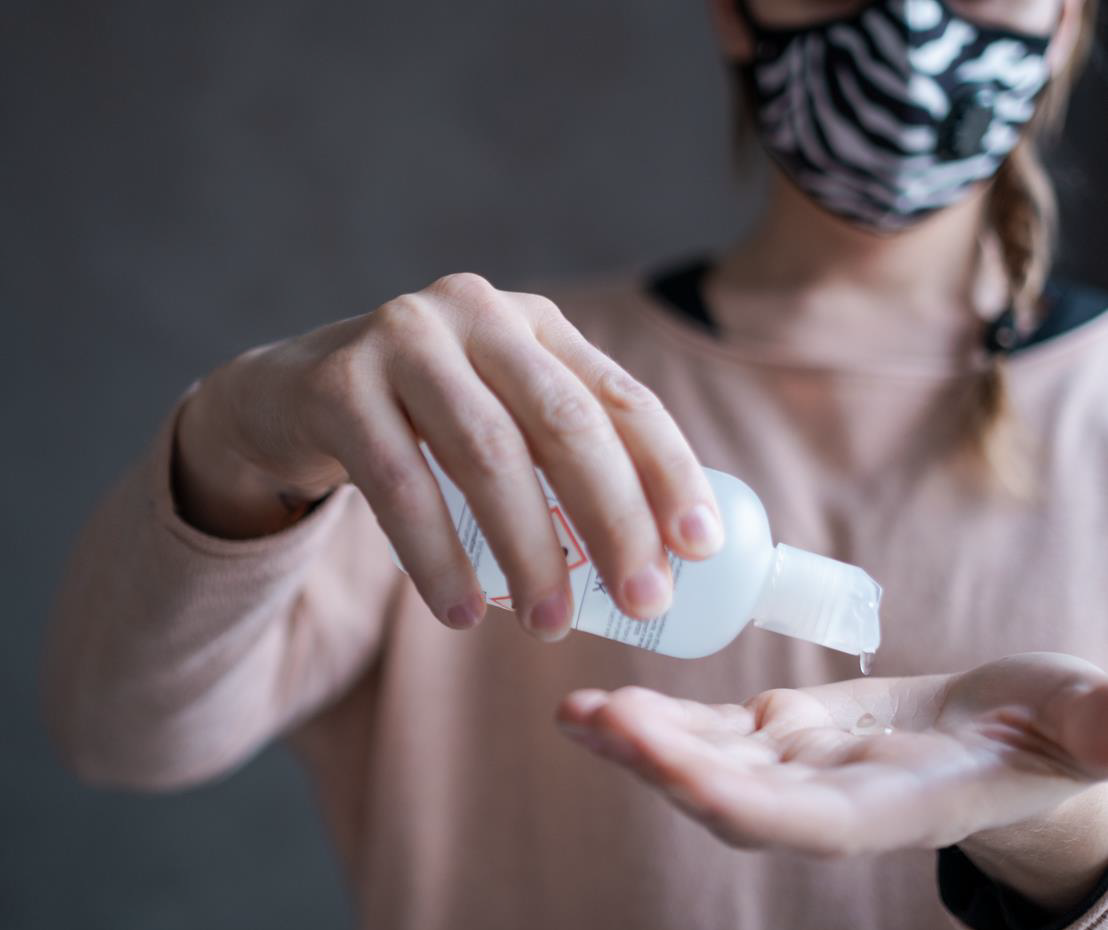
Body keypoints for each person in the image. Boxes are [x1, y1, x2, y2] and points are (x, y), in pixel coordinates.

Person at [44, 0, 1108, 927]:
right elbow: (119, 736)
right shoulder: (487, 395)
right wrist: (235, 435)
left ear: (1066, 19)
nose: (910, 26)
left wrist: (1059, 837)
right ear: (732, 10)